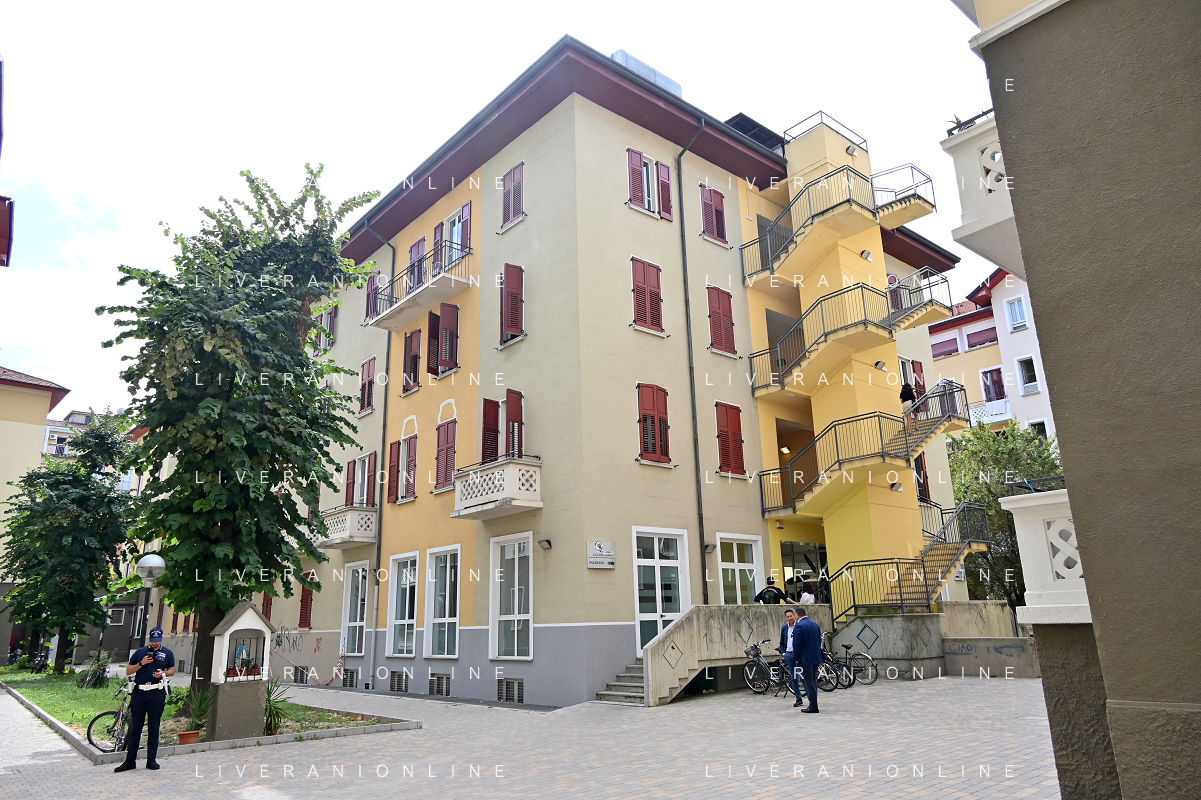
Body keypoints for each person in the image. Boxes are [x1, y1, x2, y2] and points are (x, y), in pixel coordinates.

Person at [114, 627, 175, 772]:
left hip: (156, 692)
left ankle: (151, 760)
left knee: (154, 727)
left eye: (157, 641)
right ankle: (130, 761)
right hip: (140, 692)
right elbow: (129, 671)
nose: (155, 643)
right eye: (153, 641)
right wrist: (141, 663)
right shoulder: (140, 652)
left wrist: (162, 673)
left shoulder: (167, 653)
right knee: (135, 727)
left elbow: (172, 670)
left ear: (161, 639)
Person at [794, 607, 824, 713]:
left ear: (797, 615)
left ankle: (813, 705)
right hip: (815, 656)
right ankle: (813, 703)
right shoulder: (815, 625)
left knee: (808, 681)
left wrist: (796, 658)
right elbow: (818, 640)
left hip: (805, 658)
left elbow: (797, 644)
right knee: (813, 681)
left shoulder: (799, 626)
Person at [778, 608, 806, 707]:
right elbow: (782, 642)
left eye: (791, 616)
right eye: (788, 617)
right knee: (793, 677)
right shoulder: (784, 628)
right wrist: (784, 653)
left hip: (798, 655)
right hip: (789, 654)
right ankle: (798, 698)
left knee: (802, 676)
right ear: (786, 618)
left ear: (794, 616)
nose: (790, 618)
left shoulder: (799, 626)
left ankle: (810, 697)